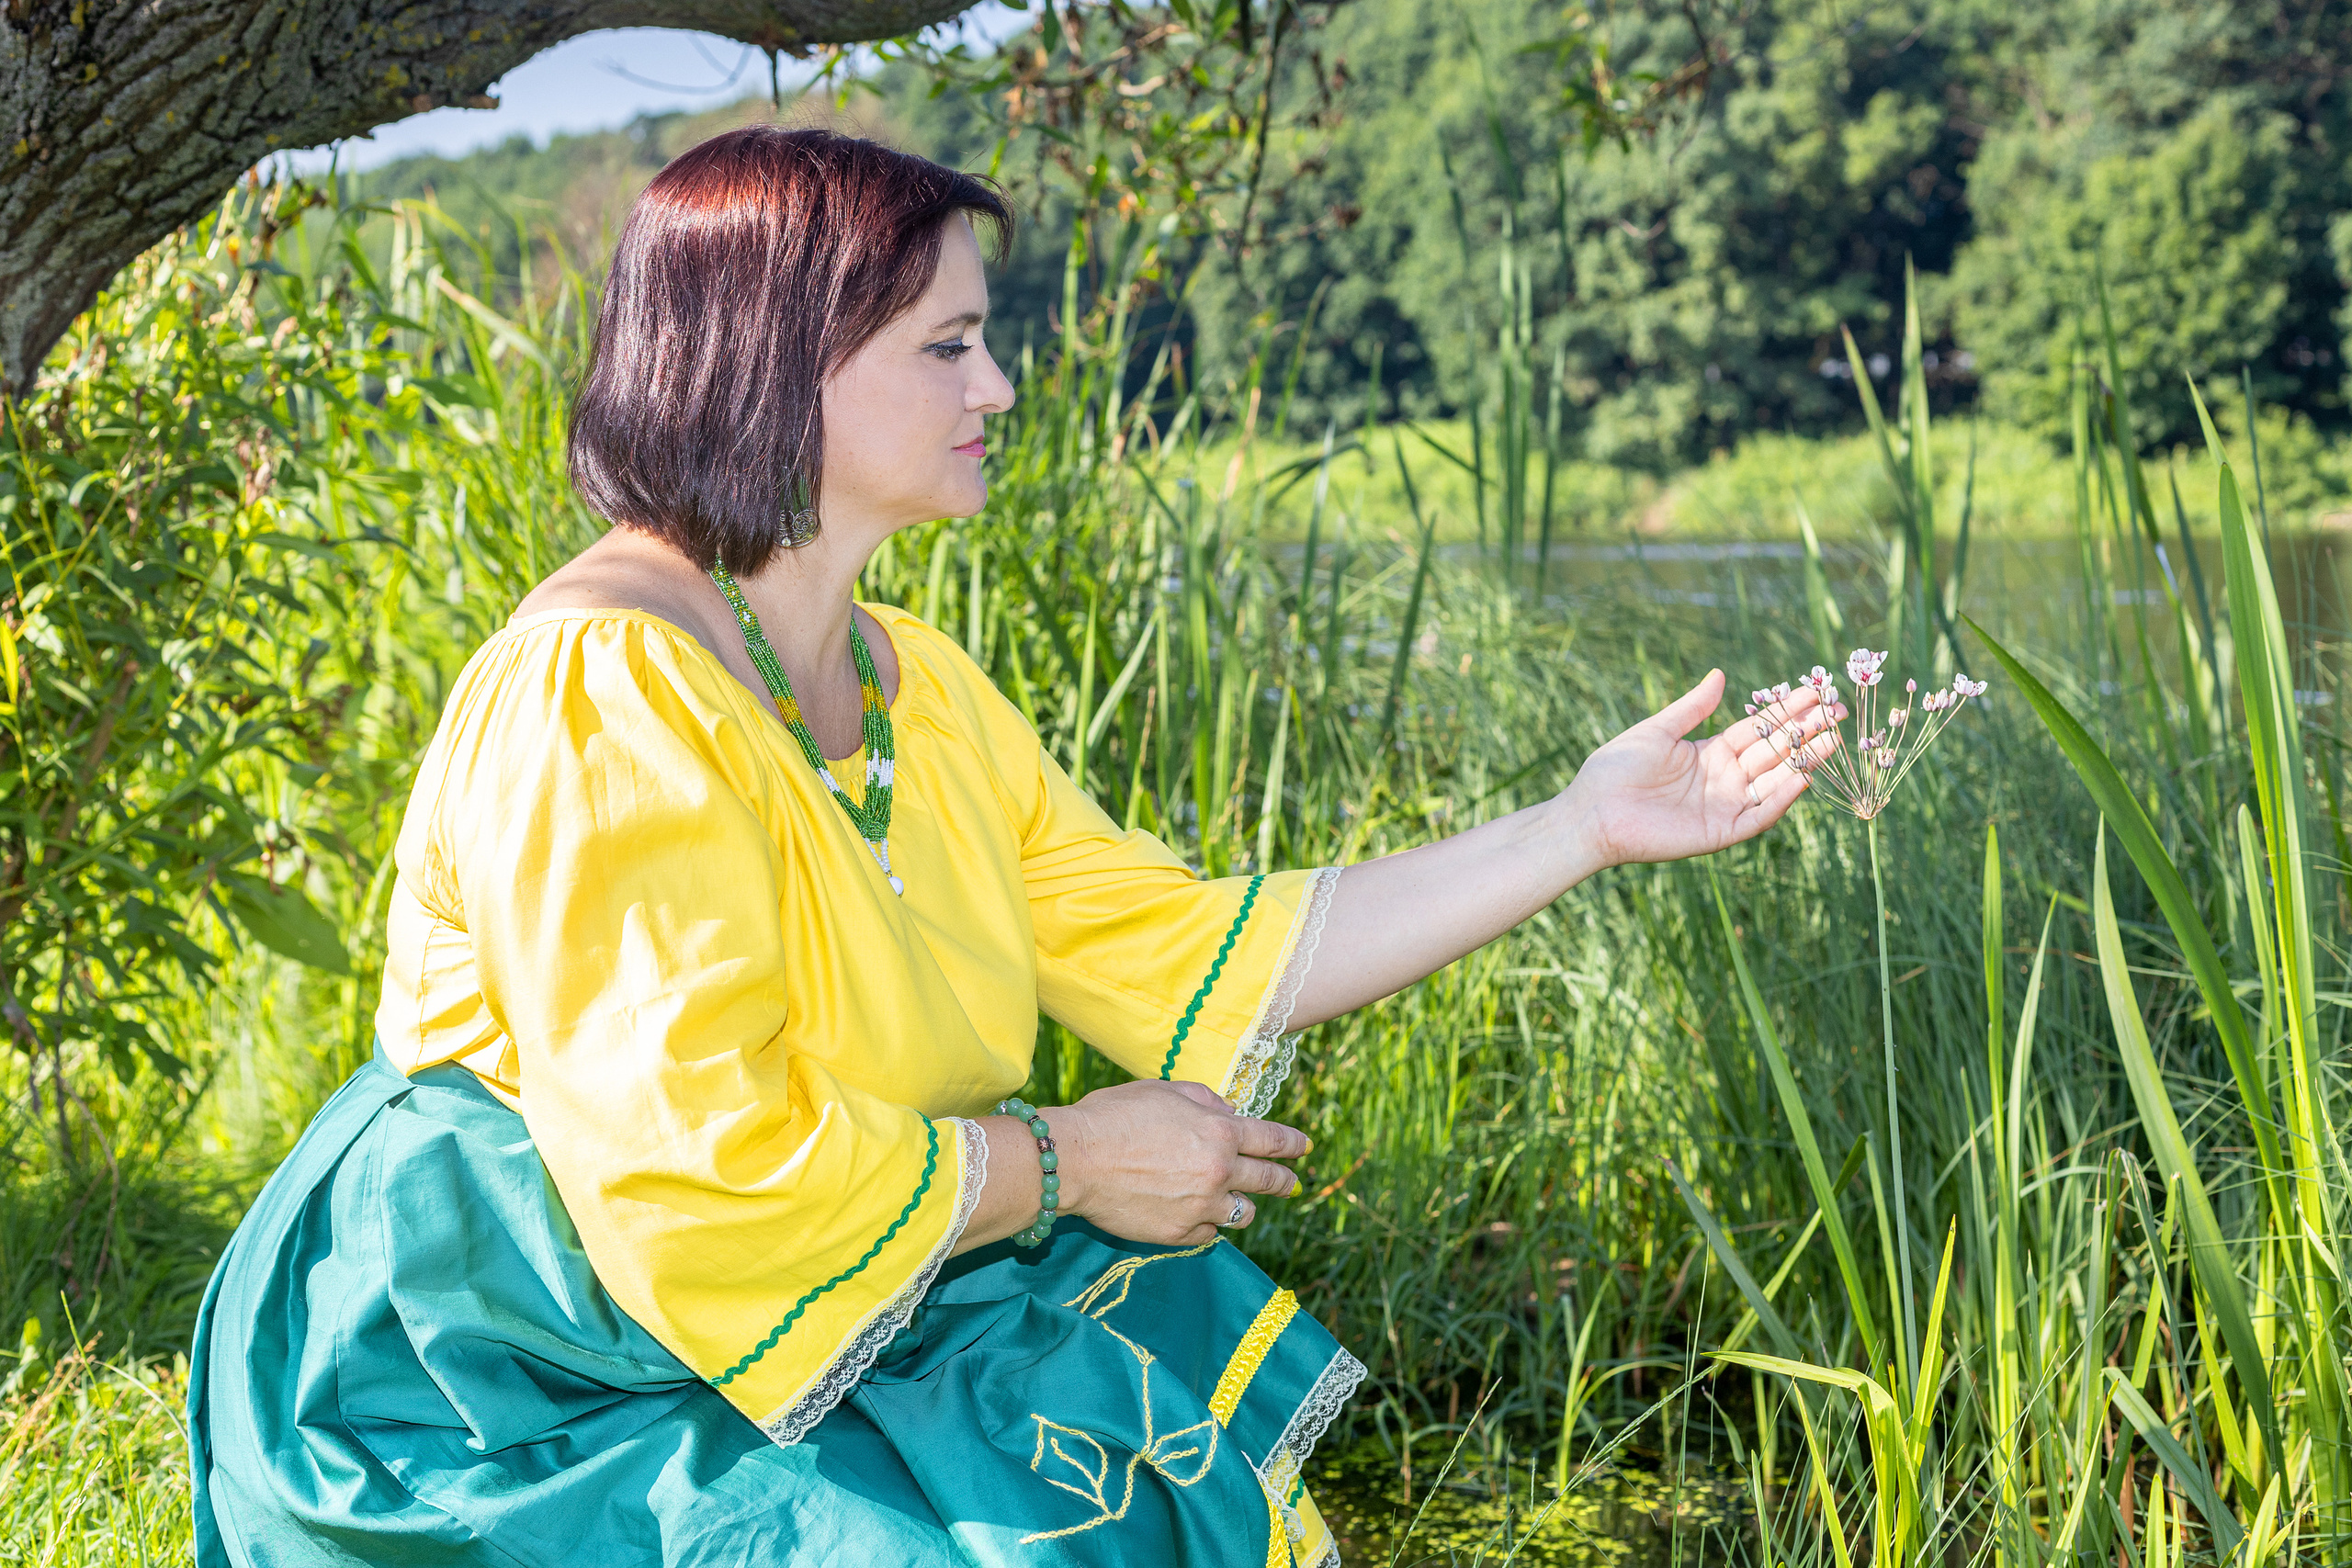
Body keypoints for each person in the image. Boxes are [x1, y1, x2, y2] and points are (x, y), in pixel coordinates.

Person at [186, 127, 1834, 1567]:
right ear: (781, 363)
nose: (999, 387)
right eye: (948, 346)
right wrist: (1065, 1163)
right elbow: (689, 1167)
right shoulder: (602, 687)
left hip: (798, 1260)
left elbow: (1203, 951)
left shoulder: (922, 689)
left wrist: (1579, 825)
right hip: (515, 1355)